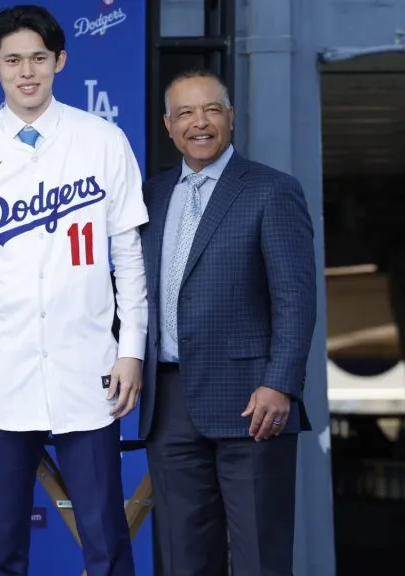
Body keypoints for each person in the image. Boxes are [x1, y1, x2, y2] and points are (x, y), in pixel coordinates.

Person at [0, 5, 147, 575]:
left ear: (60, 61)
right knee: (2, 547)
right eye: (13, 60)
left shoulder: (103, 140)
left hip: (89, 367)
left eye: (39, 58)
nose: (27, 72)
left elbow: (128, 255)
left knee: (106, 539)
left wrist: (131, 349)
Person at [138, 68, 316, 576]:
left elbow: (295, 297)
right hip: (169, 402)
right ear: (169, 125)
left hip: (252, 402)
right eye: (186, 113)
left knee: (260, 557)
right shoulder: (150, 196)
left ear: (231, 118)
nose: (200, 122)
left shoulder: (272, 190)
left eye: (212, 110)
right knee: (184, 559)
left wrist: (279, 384)